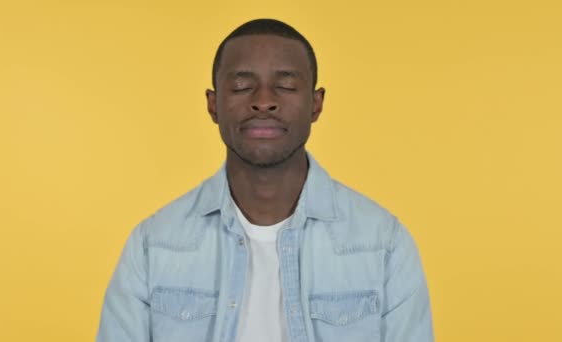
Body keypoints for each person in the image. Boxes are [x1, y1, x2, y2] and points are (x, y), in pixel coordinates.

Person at [97, 18, 434, 342]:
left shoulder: (383, 243)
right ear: (213, 105)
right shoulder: (153, 245)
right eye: (242, 86)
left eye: (286, 85)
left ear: (316, 105)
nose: (263, 102)